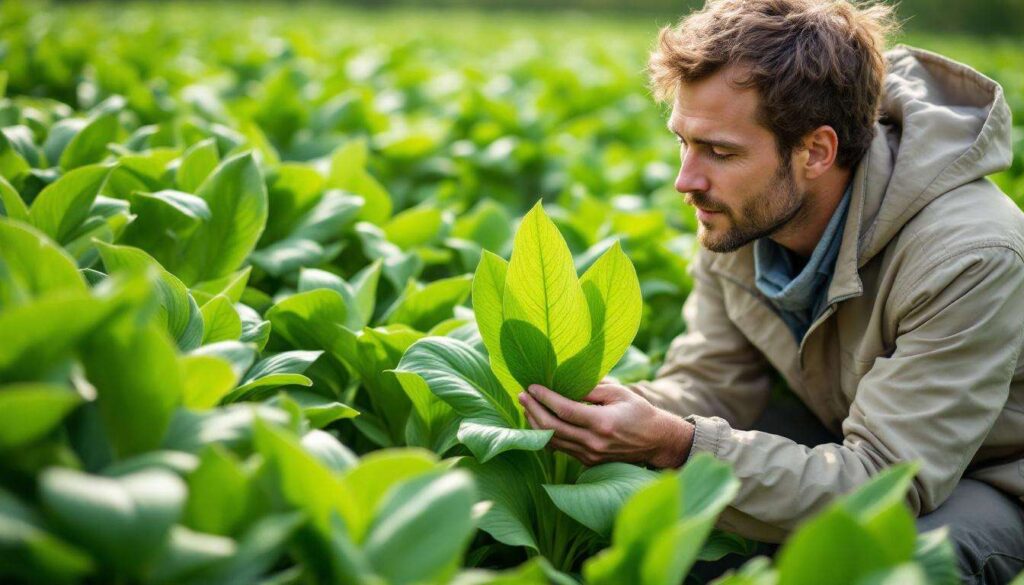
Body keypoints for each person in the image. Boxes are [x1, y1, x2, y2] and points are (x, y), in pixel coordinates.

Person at [516, 0, 1024, 582]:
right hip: (845, 432)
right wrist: (590, 411)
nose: (687, 180)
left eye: (720, 151)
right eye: (683, 141)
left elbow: (882, 481)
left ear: (816, 152)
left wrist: (674, 446)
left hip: (989, 479)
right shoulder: (744, 212)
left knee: (889, 562)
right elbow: (712, 385)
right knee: (671, 533)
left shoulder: (969, 256)